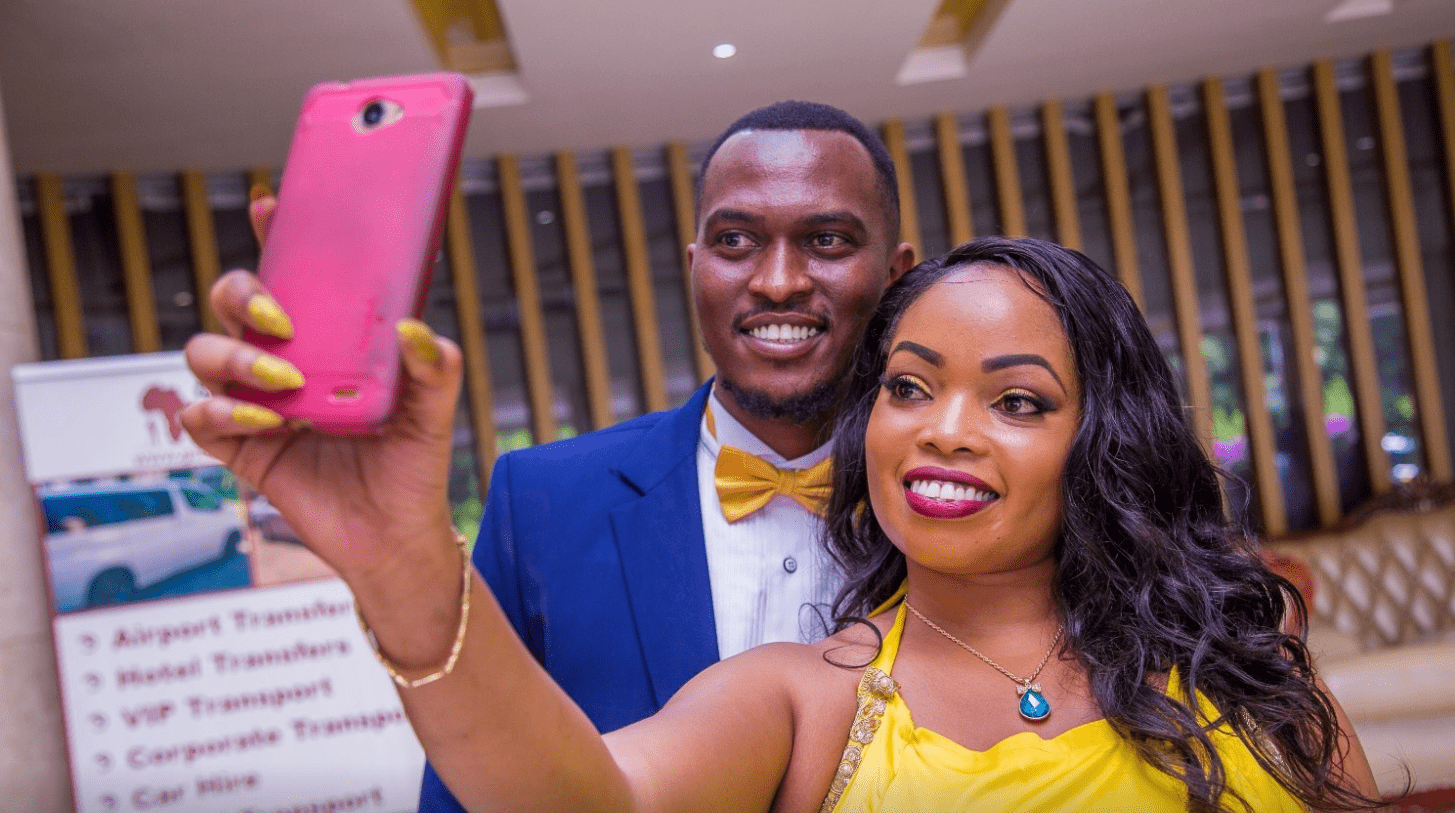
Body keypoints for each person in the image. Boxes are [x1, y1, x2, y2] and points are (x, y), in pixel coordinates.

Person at [183, 235, 1380, 811]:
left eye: (1016, 400)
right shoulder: (799, 698)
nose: (941, 429)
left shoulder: (1235, 663)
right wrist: (399, 556)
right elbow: (581, 800)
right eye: (908, 386)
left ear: (1104, 440)